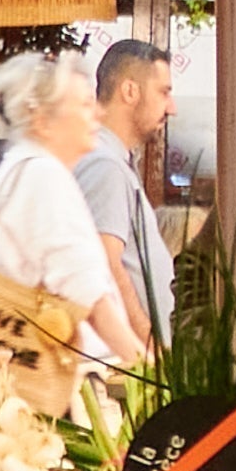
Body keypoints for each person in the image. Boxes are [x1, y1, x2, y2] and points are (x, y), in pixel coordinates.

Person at [0, 53, 147, 366]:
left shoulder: (17, 169)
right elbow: (90, 299)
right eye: (84, 104)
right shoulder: (44, 177)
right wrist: (147, 370)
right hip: (62, 389)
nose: (98, 113)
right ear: (43, 121)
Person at [74, 38, 177, 348]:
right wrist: (148, 345)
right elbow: (104, 265)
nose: (171, 107)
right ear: (130, 91)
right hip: (124, 364)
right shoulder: (105, 165)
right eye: (164, 92)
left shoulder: (108, 160)